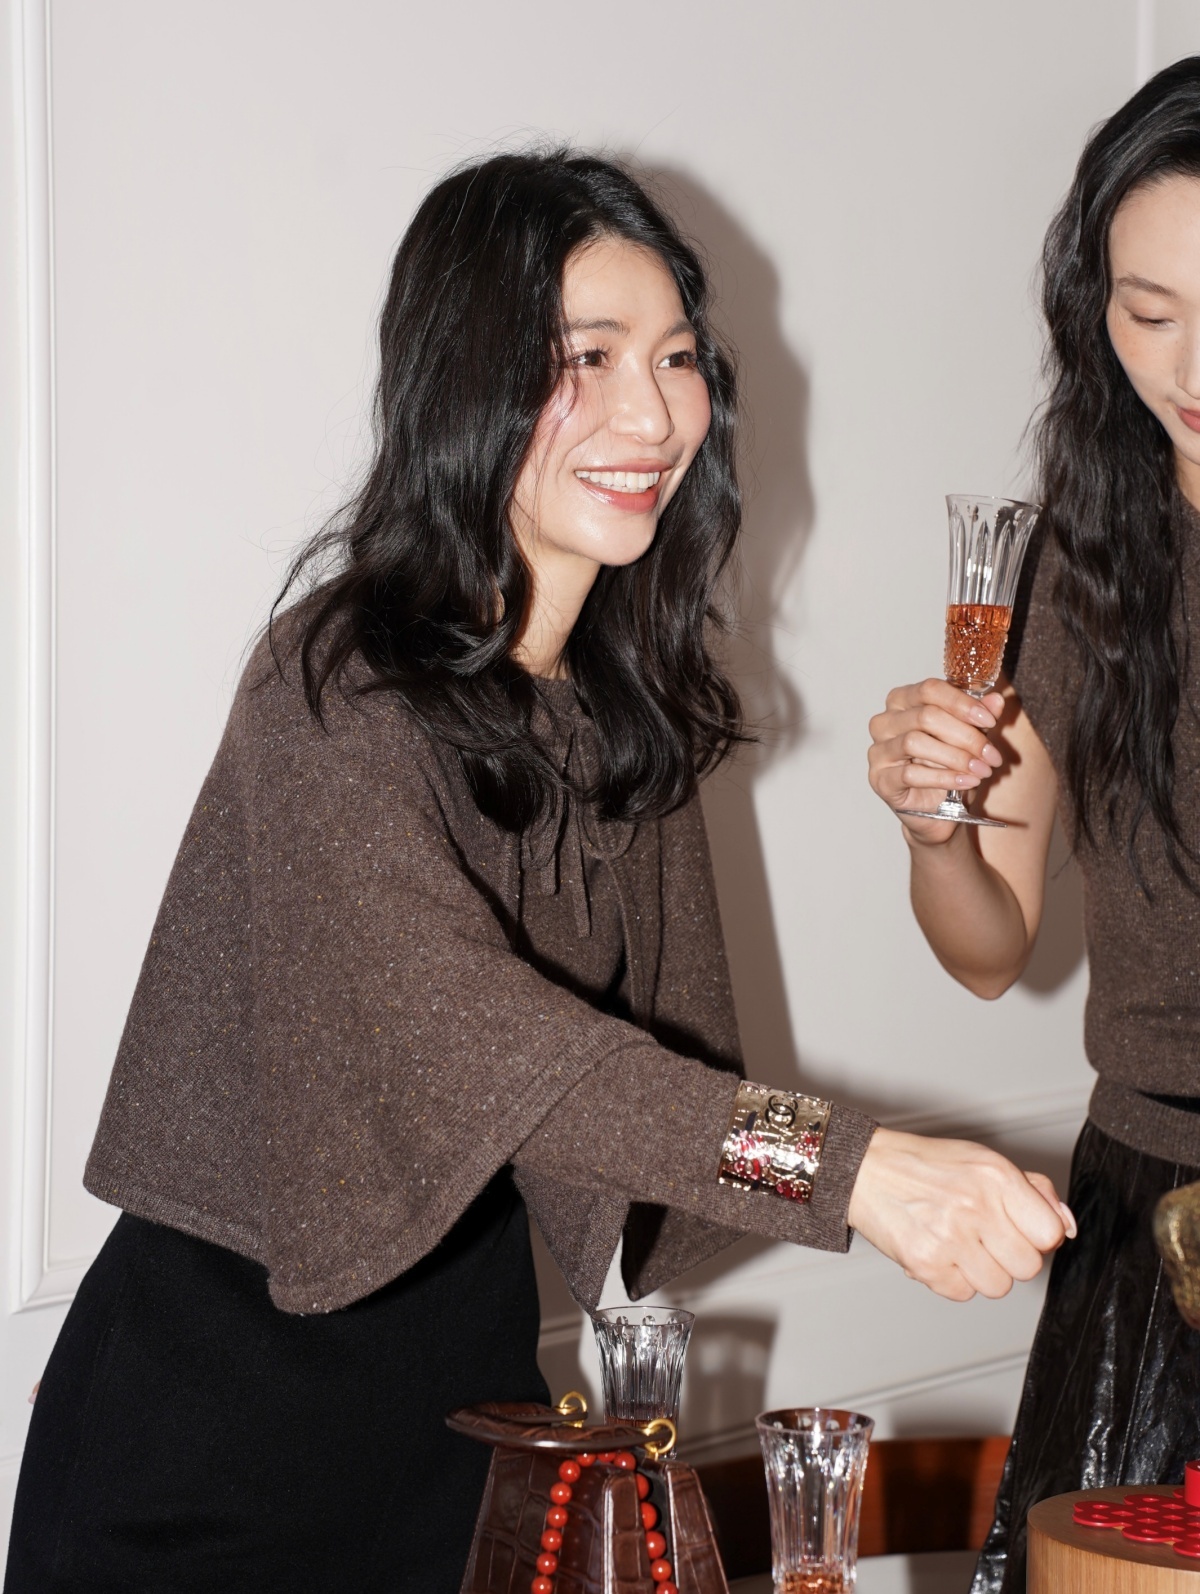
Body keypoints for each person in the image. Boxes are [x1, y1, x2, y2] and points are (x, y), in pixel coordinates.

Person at [6, 150, 1069, 1594]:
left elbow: (648, 1082)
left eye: (678, 358)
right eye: (588, 359)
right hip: (213, 1429)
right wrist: (852, 1168)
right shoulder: (334, 685)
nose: (653, 413)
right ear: (468, 384)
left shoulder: (628, 710)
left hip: (461, 1413)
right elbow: (488, 1045)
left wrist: (858, 1177)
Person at [866, 56, 1200, 1594]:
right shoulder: (1083, 561)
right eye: (1149, 312)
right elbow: (991, 946)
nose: (1190, 363)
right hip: (1143, 1209)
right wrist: (936, 828)